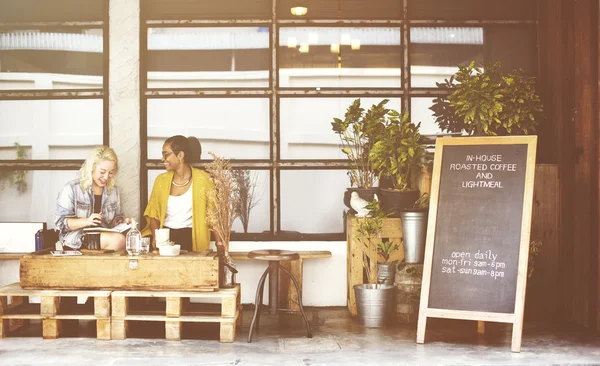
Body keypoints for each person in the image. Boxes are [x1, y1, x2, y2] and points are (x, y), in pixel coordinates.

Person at [142, 135, 214, 252]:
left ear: (180, 155)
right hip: (166, 237)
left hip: (191, 238)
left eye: (166, 154)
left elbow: (214, 216)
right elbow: (152, 214)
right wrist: (156, 237)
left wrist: (221, 245)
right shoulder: (161, 180)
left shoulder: (203, 179)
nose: (162, 159)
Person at [55, 146, 130, 251]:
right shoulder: (71, 188)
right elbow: (61, 224)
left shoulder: (113, 191)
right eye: (102, 172)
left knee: (130, 238)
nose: (106, 177)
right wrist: (87, 221)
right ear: (92, 168)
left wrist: (121, 222)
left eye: (111, 172)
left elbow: (114, 219)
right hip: (75, 239)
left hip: (103, 236)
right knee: (118, 241)